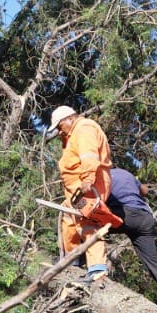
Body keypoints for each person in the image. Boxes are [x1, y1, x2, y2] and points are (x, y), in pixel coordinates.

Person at [46, 105, 117, 283]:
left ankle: (97, 269)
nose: (60, 131)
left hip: (90, 185)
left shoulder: (84, 129)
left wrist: (87, 180)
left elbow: (89, 156)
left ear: (69, 118)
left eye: (60, 126)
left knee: (88, 221)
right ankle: (73, 260)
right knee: (69, 220)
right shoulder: (72, 134)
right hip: (76, 189)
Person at [105, 166, 157, 301]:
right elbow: (144, 191)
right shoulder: (127, 173)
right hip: (144, 218)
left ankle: (80, 265)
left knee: (88, 227)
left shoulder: (103, 175)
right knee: (152, 260)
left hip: (123, 214)